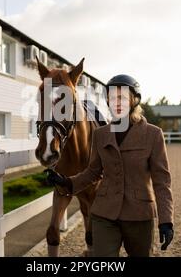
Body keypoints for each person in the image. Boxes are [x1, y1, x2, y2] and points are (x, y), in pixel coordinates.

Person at [47, 74, 174, 257]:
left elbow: (162, 181)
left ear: (135, 100)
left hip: (139, 215)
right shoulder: (101, 134)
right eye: (112, 98)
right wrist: (67, 182)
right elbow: (93, 172)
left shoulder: (153, 135)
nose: (116, 102)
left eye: (122, 97)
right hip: (104, 214)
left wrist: (166, 220)